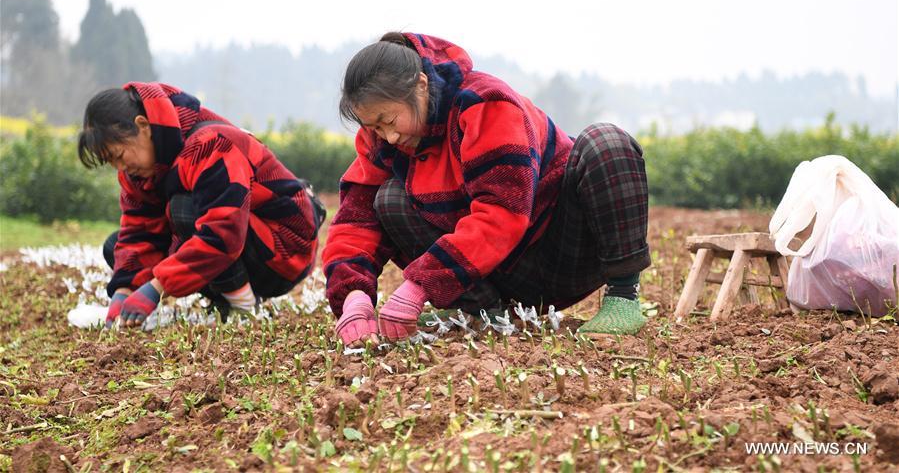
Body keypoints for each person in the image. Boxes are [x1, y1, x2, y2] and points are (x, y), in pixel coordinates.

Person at [323, 32, 651, 346]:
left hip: (561, 249)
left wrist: (420, 284)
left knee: (604, 142)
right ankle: (483, 312)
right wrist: (353, 296)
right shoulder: (380, 141)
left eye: (390, 121)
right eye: (375, 127)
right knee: (389, 199)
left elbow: (501, 213)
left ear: (420, 86)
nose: (388, 137)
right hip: (493, 273)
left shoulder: (485, 103)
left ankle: (622, 296)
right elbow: (356, 220)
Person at [78, 82, 325, 327]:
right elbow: (138, 232)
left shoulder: (211, 144)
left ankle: (244, 306)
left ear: (143, 126)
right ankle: (226, 296)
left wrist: (156, 287)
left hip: (283, 251)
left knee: (183, 209)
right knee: (117, 246)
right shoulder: (138, 173)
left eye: (119, 155)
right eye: (111, 162)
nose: (121, 168)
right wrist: (123, 290)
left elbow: (223, 233)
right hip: (239, 241)